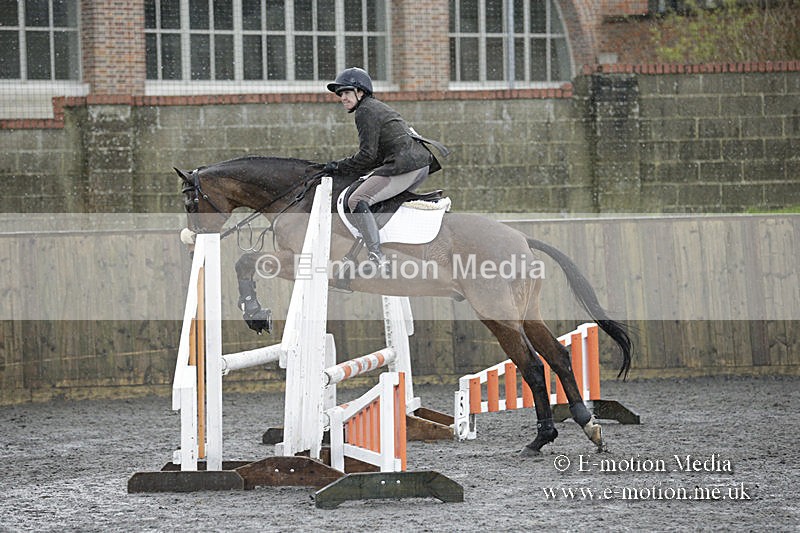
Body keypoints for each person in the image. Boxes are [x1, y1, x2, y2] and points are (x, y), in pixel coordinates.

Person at [323, 67, 446, 272]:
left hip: (406, 166)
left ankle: (376, 255)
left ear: (360, 92)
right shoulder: (373, 107)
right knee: (372, 196)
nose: (342, 98)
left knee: (357, 199)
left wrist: (338, 166)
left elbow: (367, 155)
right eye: (340, 94)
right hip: (416, 163)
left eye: (346, 92)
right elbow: (374, 157)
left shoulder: (365, 111)